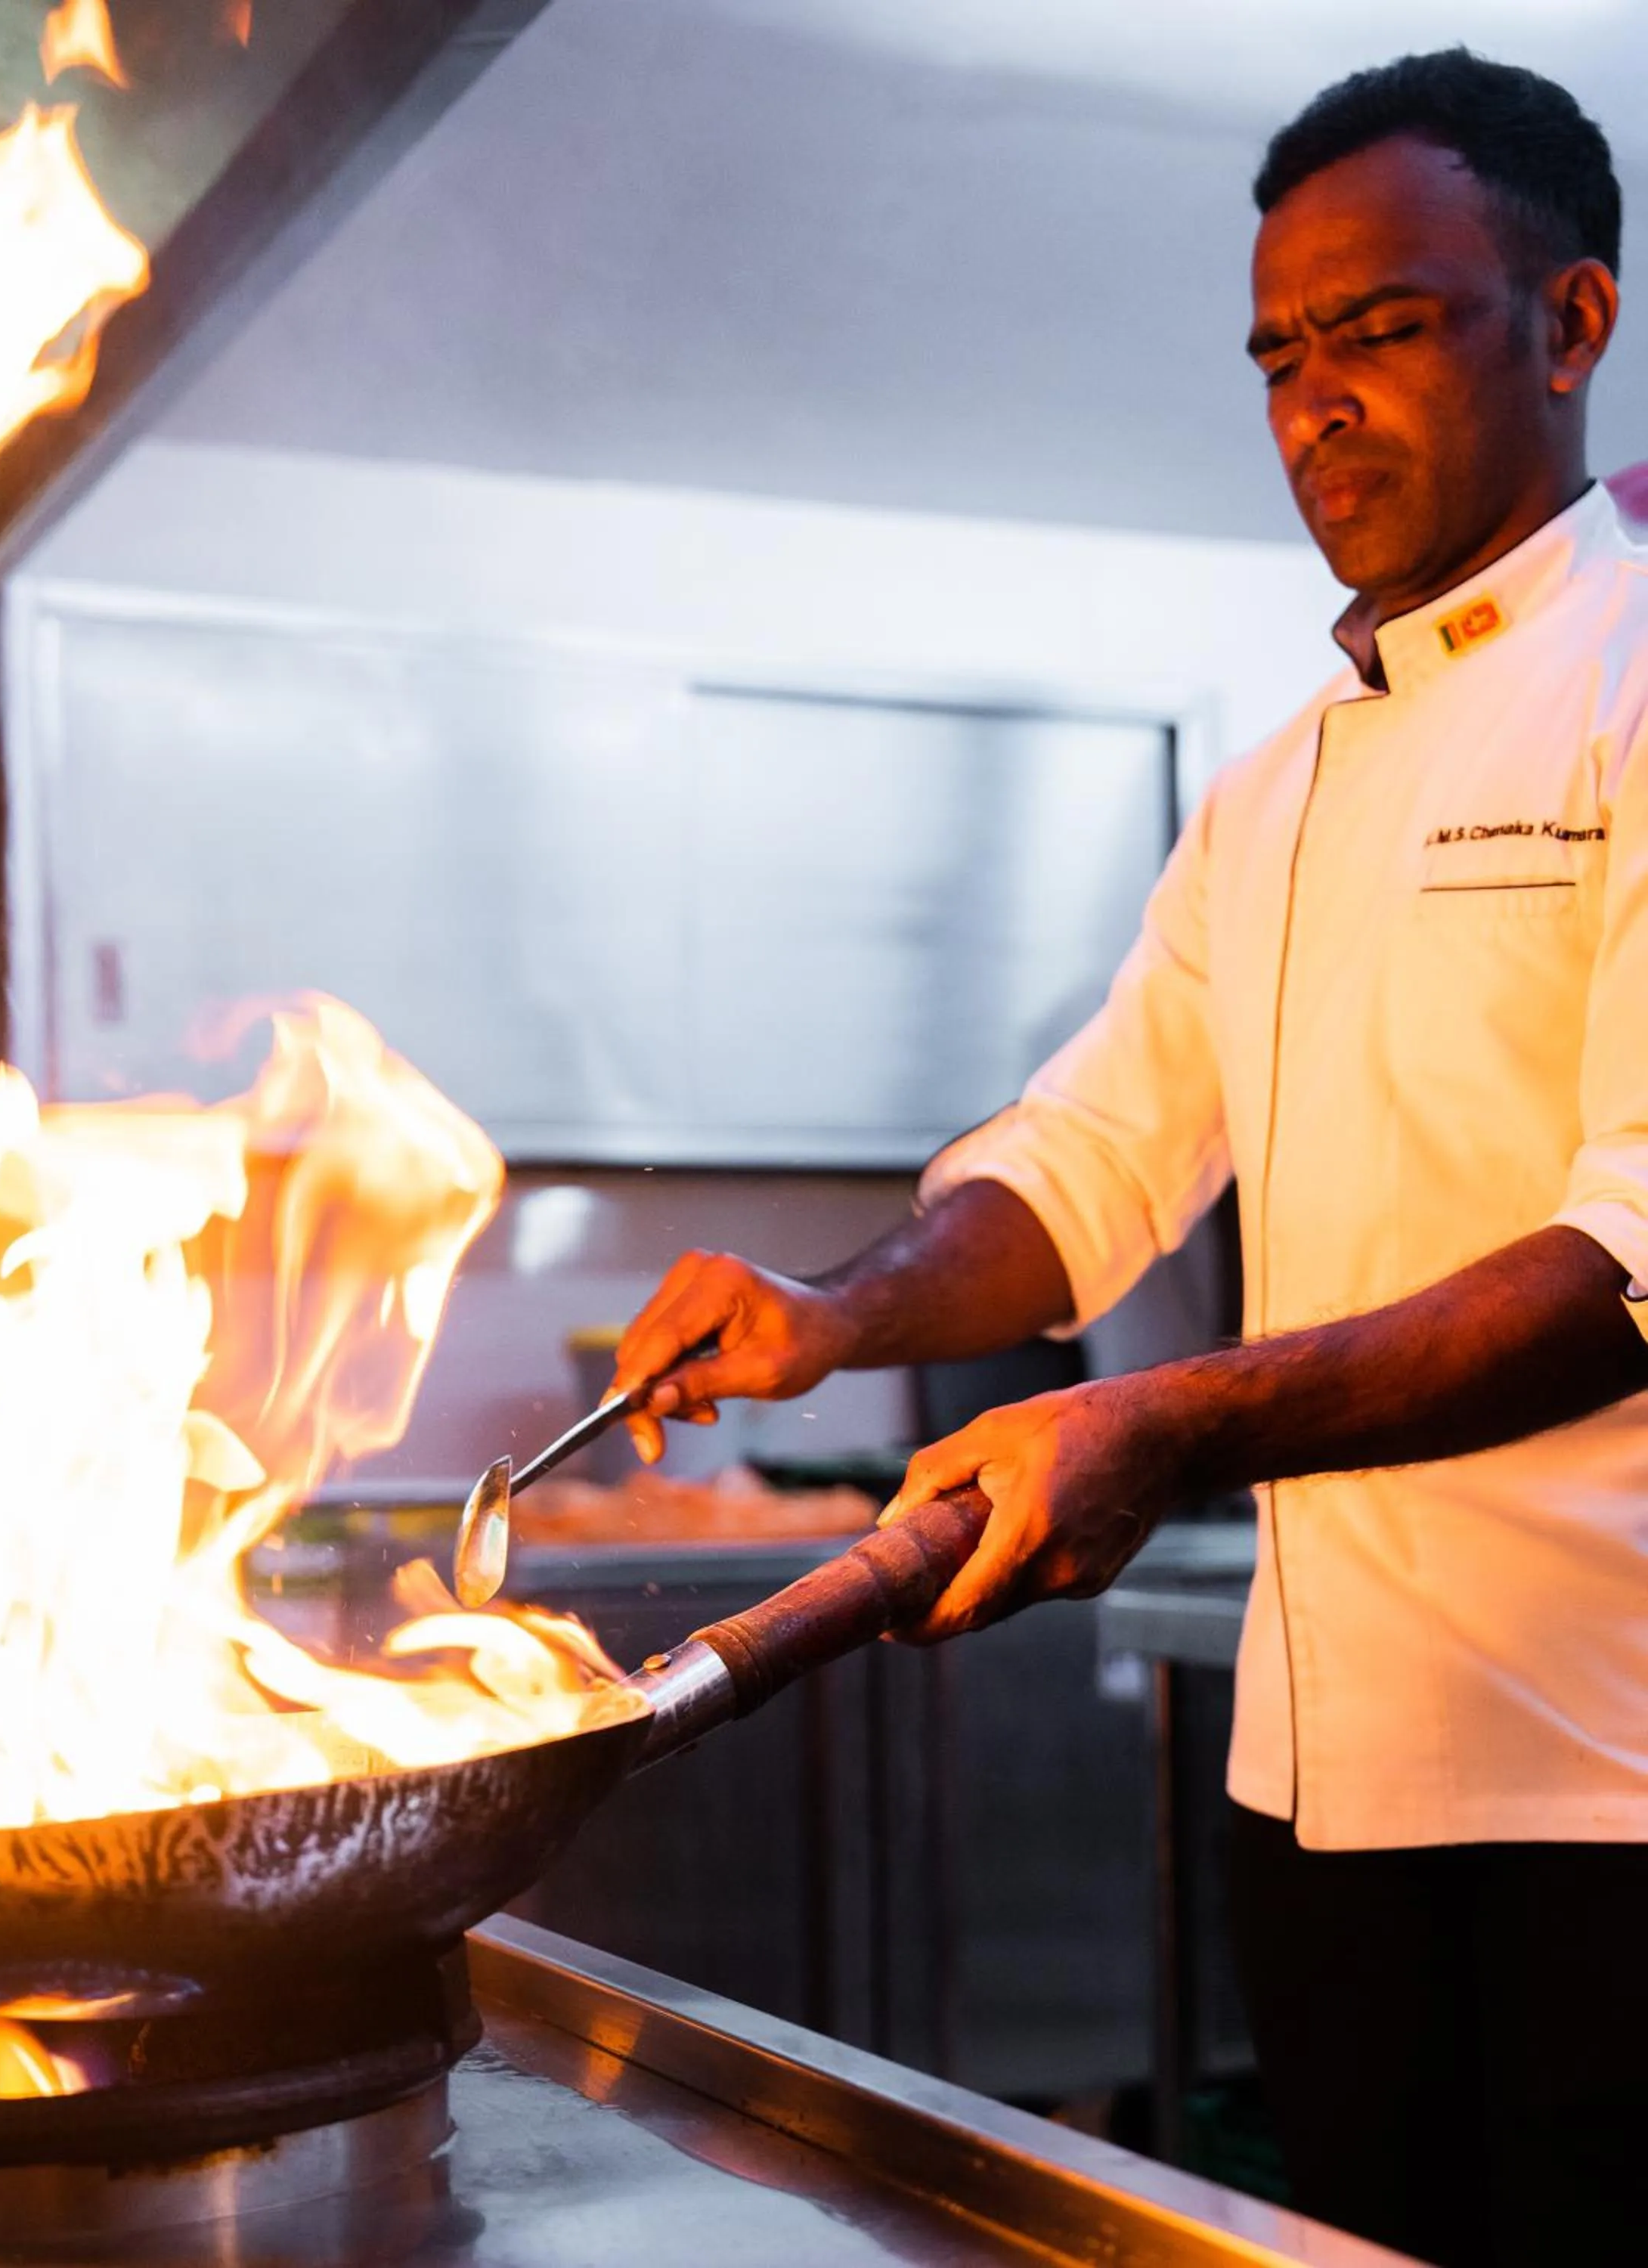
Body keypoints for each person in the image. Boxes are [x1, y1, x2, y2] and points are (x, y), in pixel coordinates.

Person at [614, 49, 1648, 2268]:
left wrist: (1164, 1425)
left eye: (1382, 326)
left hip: (1613, 1793)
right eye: (1279, 351)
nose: (1311, 406)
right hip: (1323, 1790)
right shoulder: (1272, 785)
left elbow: (1628, 1263)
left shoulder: (1636, 695)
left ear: (1569, 325)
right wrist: (838, 1313)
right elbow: (1095, 1153)